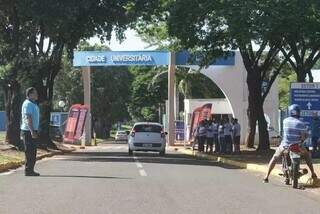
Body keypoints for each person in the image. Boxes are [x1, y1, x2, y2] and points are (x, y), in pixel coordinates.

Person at [263, 104, 317, 183]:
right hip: (297, 146)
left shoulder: (285, 121)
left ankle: (266, 176)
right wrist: (303, 139)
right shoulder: (301, 123)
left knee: (275, 157)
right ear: (298, 112)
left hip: (284, 145)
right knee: (307, 155)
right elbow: (303, 137)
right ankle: (313, 173)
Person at [21, 87, 40, 176]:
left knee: (33, 151)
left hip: (33, 130)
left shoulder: (33, 104)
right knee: (29, 151)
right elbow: (28, 118)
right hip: (28, 131)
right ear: (30, 94)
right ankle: (28, 170)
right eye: (35, 93)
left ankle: (31, 170)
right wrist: (32, 131)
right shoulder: (28, 104)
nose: (37, 95)